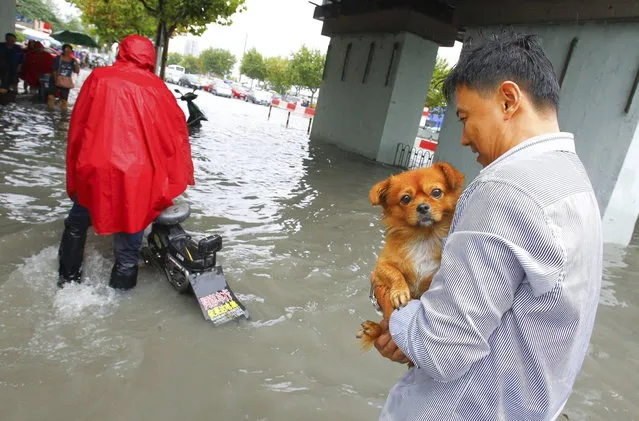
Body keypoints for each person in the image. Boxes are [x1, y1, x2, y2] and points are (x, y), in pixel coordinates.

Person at [373, 31, 603, 421]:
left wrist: (391, 310)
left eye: (465, 117)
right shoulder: (576, 181)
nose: (462, 138)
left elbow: (440, 349)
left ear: (508, 100)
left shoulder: (502, 189)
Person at [58, 34, 194, 290]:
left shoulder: (99, 77)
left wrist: (76, 168)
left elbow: (78, 126)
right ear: (150, 58)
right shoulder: (158, 89)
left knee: (77, 223)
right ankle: (119, 297)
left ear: (122, 51)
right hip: (139, 176)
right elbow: (175, 135)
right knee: (130, 232)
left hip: (96, 168)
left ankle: (67, 279)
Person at [47, 43, 79, 111]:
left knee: (64, 100)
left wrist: (76, 63)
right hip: (55, 79)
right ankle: (50, 110)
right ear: (63, 50)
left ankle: (63, 112)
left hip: (66, 82)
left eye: (69, 50)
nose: (67, 52)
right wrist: (56, 80)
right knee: (50, 96)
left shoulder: (73, 61)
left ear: (71, 51)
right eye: (66, 50)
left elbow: (76, 71)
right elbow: (54, 70)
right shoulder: (58, 58)